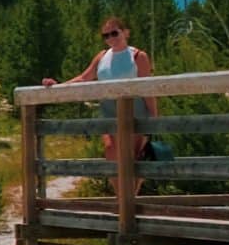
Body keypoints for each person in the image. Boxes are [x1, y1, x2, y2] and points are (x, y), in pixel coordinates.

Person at [43, 16, 162, 159]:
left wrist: (154, 119)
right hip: (108, 113)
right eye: (106, 35)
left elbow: (148, 90)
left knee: (132, 160)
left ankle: (135, 182)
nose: (110, 38)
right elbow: (83, 78)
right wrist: (58, 86)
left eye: (114, 33)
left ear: (126, 33)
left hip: (135, 114)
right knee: (111, 153)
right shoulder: (102, 56)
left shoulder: (138, 56)